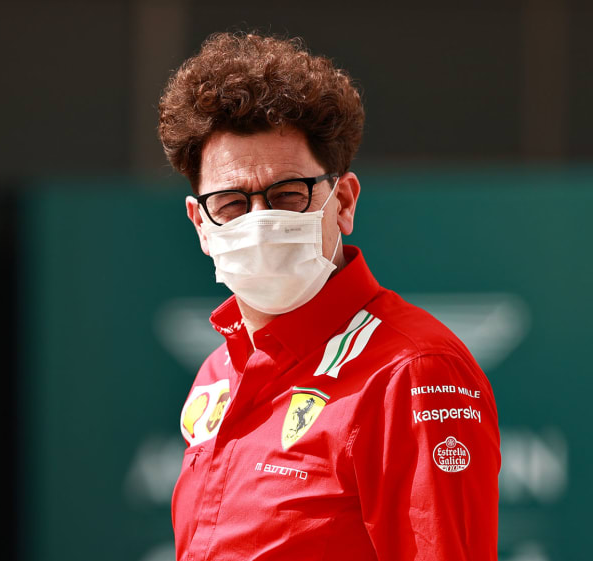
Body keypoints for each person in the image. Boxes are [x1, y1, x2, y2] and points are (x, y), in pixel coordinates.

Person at [157, 32, 500, 560]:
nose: (260, 221)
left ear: (342, 202)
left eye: (287, 195)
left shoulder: (412, 373)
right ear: (200, 223)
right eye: (230, 204)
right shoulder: (219, 370)